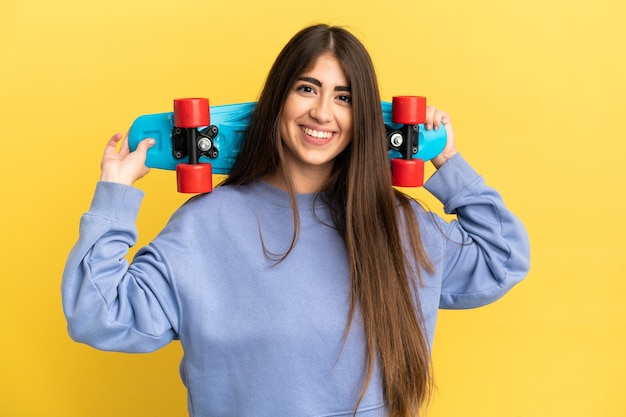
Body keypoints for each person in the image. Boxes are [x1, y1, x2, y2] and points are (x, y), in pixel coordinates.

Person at [62, 24, 530, 417]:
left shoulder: (398, 223)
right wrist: (115, 196)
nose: (322, 112)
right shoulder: (205, 226)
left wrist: (445, 157)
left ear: (364, 115)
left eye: (343, 97)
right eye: (307, 88)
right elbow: (97, 315)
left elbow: (503, 258)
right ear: (278, 100)